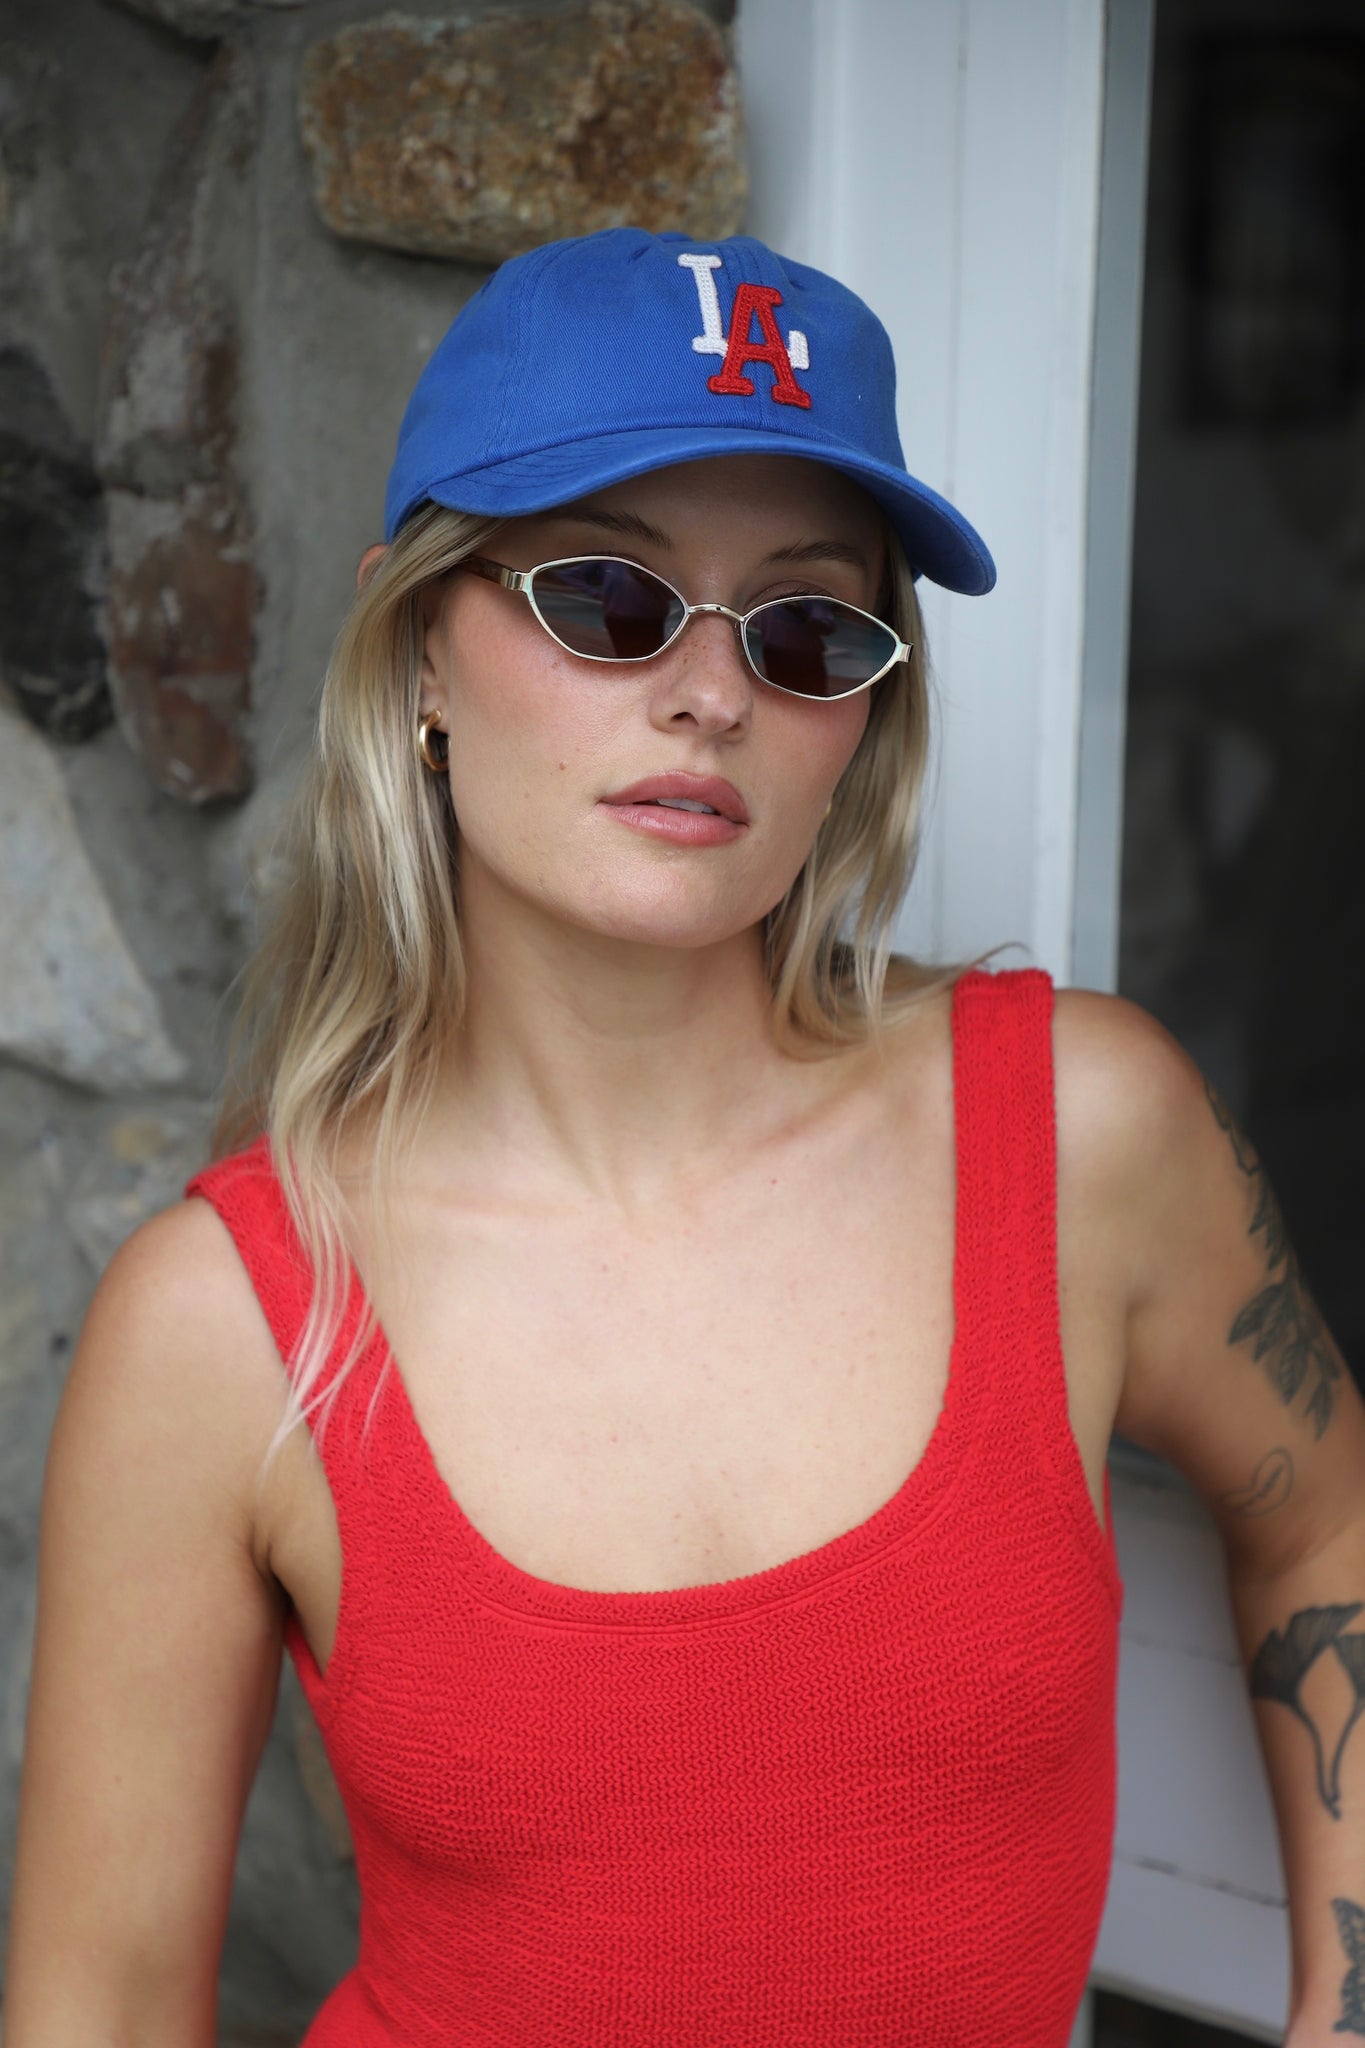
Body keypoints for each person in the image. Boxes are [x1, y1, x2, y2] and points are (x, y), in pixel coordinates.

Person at [5, 228, 1364, 2048]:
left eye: (804, 628)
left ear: (858, 720)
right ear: (416, 650)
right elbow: (96, 2003)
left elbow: (1326, 1518)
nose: (712, 694)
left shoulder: (1081, 1134)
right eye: (606, 597)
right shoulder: (227, 1322)